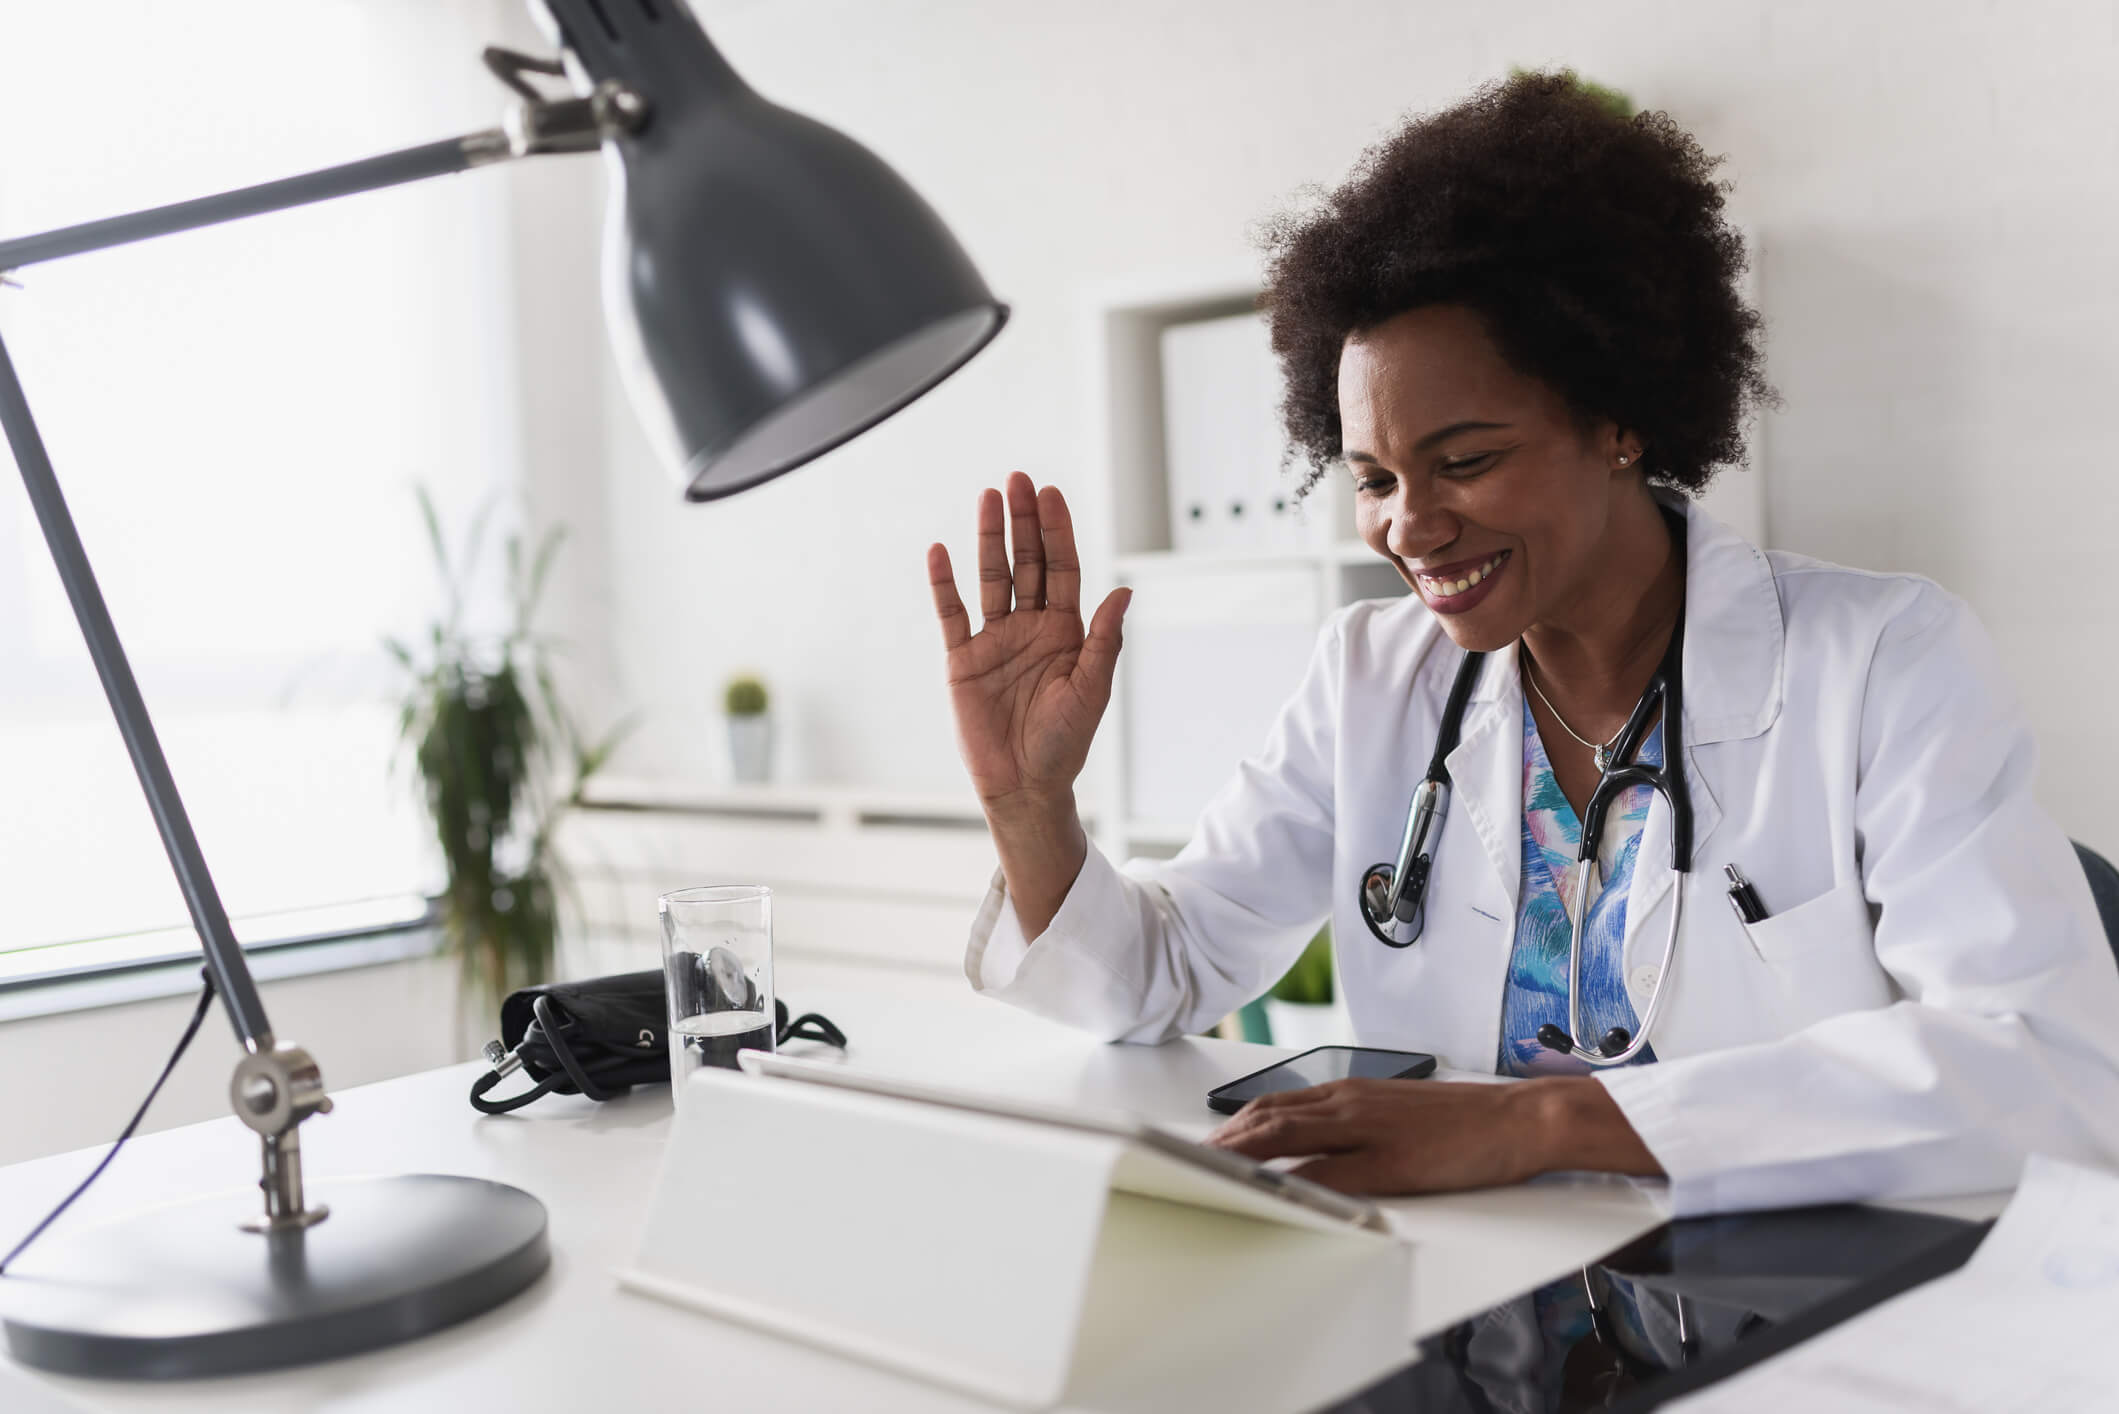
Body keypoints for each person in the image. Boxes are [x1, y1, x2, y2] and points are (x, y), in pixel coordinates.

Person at [922, 72, 2119, 1214]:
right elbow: (1156, 978)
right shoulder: (1370, 679)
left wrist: (1535, 1125)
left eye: (1466, 460)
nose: (1411, 526)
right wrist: (1031, 804)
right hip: (1478, 1285)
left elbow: (2043, 1062)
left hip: (1786, 1300)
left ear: (1617, 419)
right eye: (1374, 476)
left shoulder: (1881, 661)